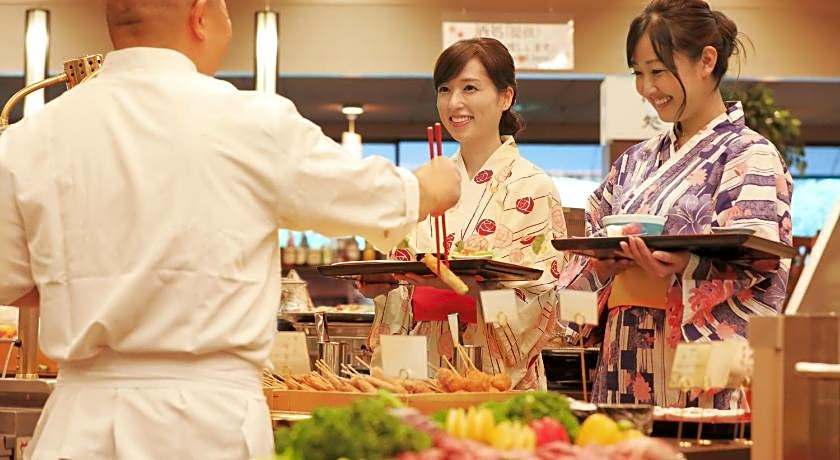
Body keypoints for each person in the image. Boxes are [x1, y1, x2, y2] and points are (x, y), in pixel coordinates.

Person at [0, 0, 461, 458]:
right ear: (200, 16)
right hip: (205, 424)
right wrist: (430, 185)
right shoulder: (250, 121)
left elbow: (13, 282)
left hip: (80, 423)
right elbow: (376, 197)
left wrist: (104, 285)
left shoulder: (29, 138)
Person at [558, 0, 792, 409]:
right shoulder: (634, 160)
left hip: (695, 355)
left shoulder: (749, 154)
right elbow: (590, 238)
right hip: (624, 344)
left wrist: (687, 266)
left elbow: (761, 264)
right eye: (638, 74)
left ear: (706, 61)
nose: (647, 89)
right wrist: (602, 264)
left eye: (658, 72)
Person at [365, 38, 567, 390]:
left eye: (470, 88)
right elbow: (401, 279)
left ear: (506, 97)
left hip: (491, 370)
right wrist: (384, 287)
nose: (454, 103)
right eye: (445, 89)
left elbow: (543, 298)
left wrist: (467, 292)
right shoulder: (428, 182)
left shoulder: (531, 187)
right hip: (420, 364)